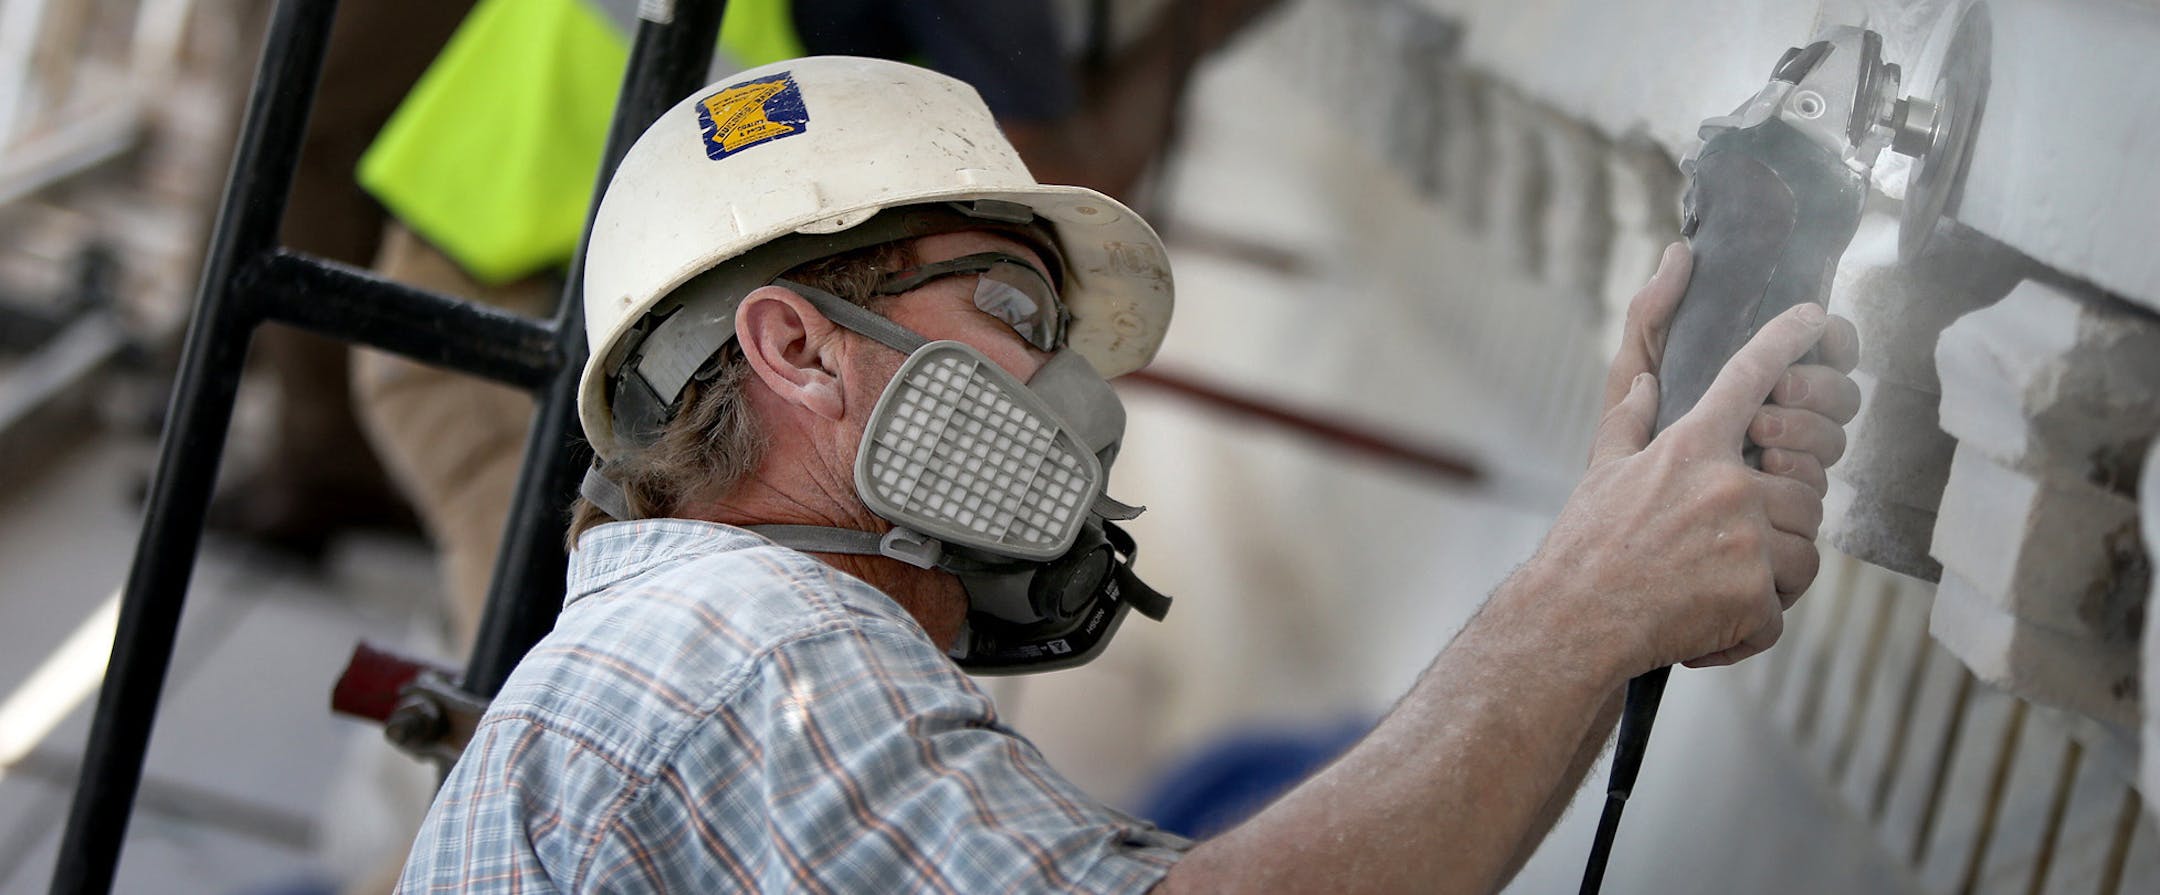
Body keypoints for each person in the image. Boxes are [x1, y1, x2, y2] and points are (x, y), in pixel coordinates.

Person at [397, 57, 1862, 892]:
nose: (1072, 396)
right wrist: (1586, 602)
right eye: (1015, 315)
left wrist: (1609, 572)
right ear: (796, 344)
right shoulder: (745, 645)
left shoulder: (669, 652)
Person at [347, 0, 1280, 651]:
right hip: (506, 318)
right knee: (562, 704)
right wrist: (1203, 22)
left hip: (604, 302)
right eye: (1018, 319)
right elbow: (1060, 165)